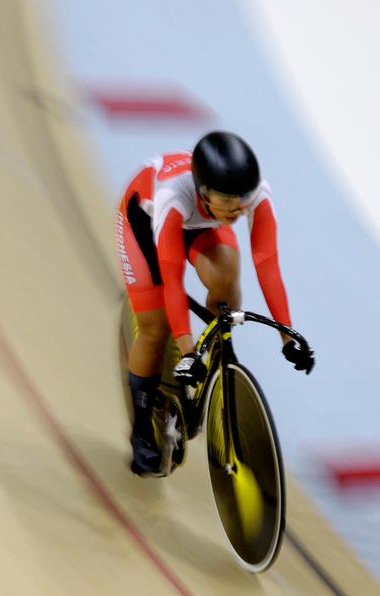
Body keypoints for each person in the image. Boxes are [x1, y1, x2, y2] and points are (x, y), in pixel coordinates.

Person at [116, 131, 314, 475]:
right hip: (145, 223)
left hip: (201, 221)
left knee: (226, 280)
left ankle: (216, 356)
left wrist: (287, 335)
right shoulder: (172, 195)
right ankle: (141, 433)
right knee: (155, 327)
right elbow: (173, 281)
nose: (239, 207)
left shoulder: (251, 197)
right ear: (205, 193)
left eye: (244, 199)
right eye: (230, 200)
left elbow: (267, 265)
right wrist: (187, 349)